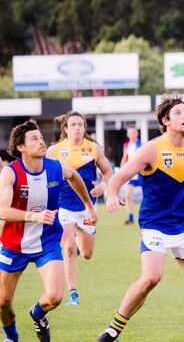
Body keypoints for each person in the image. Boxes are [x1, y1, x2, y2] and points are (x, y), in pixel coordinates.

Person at [97, 96, 184, 342]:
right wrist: (111, 195)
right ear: (165, 120)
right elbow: (119, 177)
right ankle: (112, 331)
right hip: (155, 224)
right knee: (151, 278)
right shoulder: (152, 149)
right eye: (179, 113)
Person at [0, 120, 98, 342]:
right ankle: (12, 337)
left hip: (47, 242)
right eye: (34, 139)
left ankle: (37, 314)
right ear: (20, 148)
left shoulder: (55, 167)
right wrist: (32, 216)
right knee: (3, 303)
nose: (41, 141)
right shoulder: (10, 173)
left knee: (54, 297)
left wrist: (89, 206)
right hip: (14, 245)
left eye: (41, 137)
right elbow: (2, 210)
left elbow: (74, 176)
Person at [45, 112, 112, 307]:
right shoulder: (54, 151)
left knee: (87, 253)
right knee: (68, 248)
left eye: (80, 125)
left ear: (84, 128)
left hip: (86, 208)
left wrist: (103, 187)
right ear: (65, 129)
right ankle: (73, 293)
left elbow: (108, 172)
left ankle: (79, 236)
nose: (77, 128)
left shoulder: (93, 149)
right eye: (73, 125)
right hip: (63, 207)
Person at [120, 126, 142, 225]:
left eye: (134, 132)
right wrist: (121, 171)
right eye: (130, 133)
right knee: (128, 195)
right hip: (131, 174)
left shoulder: (141, 145)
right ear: (128, 134)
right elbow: (125, 158)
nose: (132, 134)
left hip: (141, 174)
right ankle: (131, 218)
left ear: (137, 133)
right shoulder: (126, 145)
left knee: (148, 195)